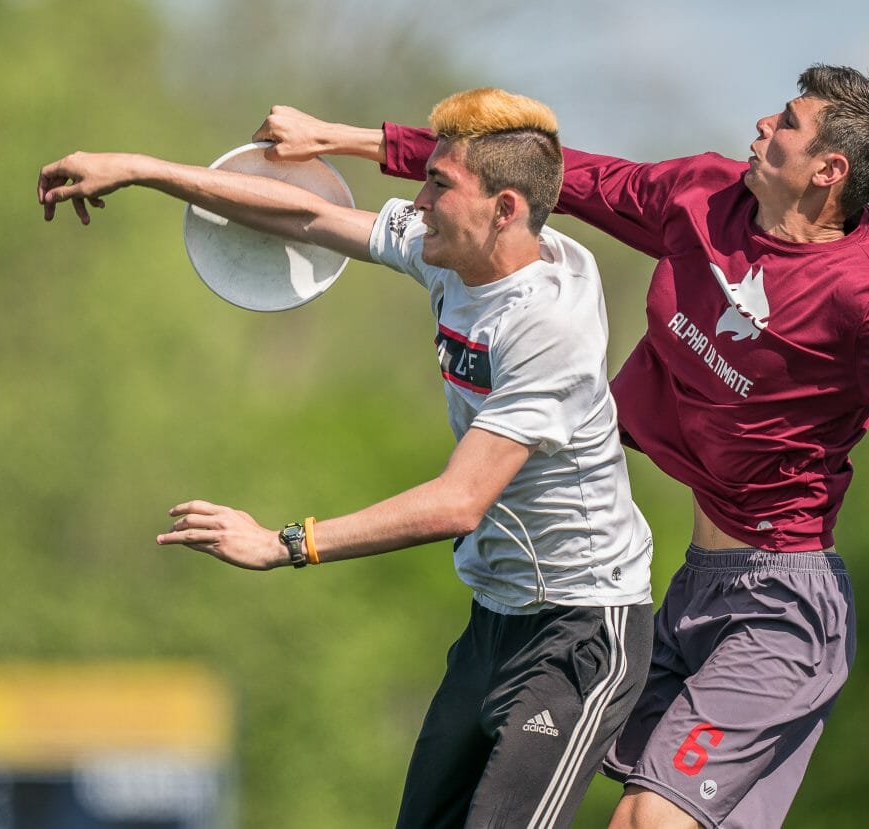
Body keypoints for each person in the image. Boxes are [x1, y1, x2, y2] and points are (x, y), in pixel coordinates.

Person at [251, 64, 869, 828]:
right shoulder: (704, 200)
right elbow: (555, 175)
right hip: (688, 588)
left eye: (786, 122)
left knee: (647, 821)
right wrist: (350, 139)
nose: (761, 126)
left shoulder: (868, 303)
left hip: (781, 607)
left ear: (829, 170)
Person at [37, 87, 656, 829]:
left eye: (439, 185)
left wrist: (284, 542)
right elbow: (304, 214)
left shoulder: (546, 325)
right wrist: (140, 168)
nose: (417, 201)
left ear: (506, 209)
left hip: (582, 628)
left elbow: (460, 501)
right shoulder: (455, 253)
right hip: (494, 617)